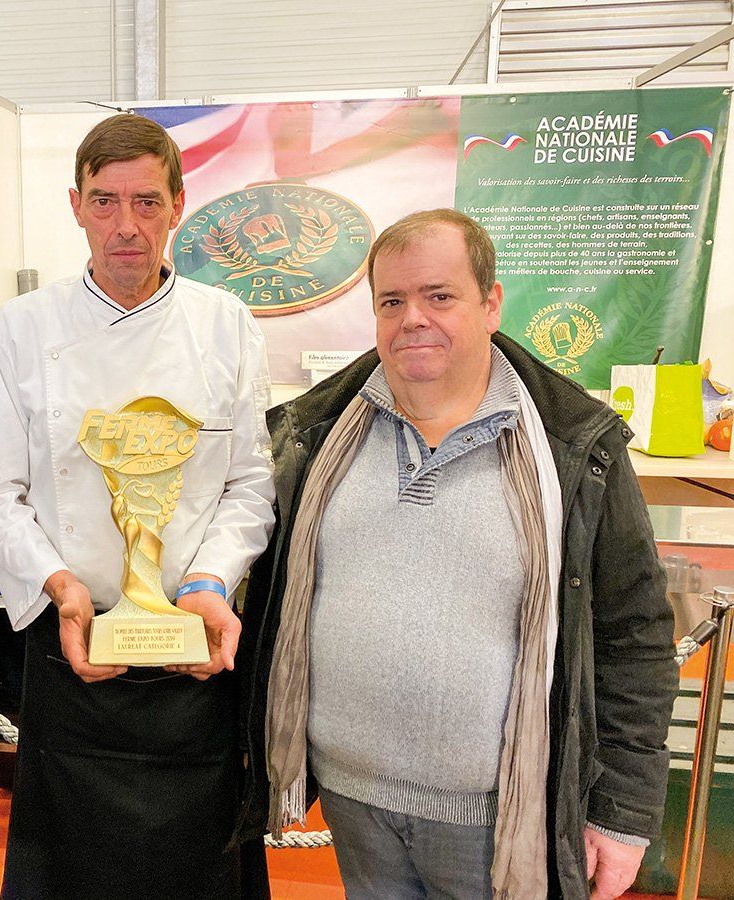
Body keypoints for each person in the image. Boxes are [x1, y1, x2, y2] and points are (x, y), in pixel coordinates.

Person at [237, 208, 677, 900]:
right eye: (392, 301)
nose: (413, 318)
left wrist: (622, 814)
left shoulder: (574, 449)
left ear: (491, 303)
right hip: (352, 804)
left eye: (439, 296)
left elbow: (635, 636)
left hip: (499, 821)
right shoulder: (315, 436)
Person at [0, 113, 276, 899]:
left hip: (194, 654)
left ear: (178, 204)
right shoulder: (25, 328)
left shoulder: (226, 324)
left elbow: (249, 484)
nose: (126, 226)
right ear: (76, 205)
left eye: (146, 202)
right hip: (71, 650)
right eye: (105, 202)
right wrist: (59, 585)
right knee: (67, 870)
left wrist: (209, 583)